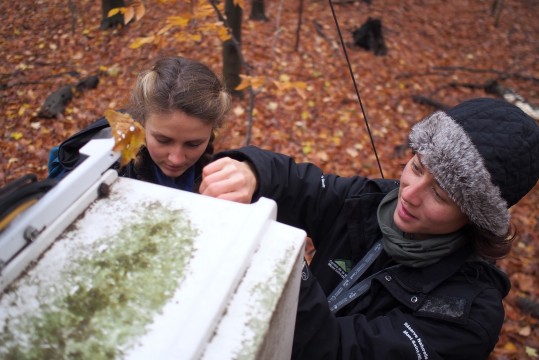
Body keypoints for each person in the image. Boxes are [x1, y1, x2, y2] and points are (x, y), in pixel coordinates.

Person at [199, 97, 539, 359]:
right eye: (417, 168)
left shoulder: (466, 316)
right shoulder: (372, 202)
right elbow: (299, 185)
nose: (409, 193)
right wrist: (249, 171)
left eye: (440, 193)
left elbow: (337, 351)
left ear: (475, 215)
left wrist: (287, 267)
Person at [48, 56, 231, 192]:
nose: (176, 158)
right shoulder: (103, 162)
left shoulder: (206, 165)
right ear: (141, 121)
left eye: (193, 144)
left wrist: (254, 168)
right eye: (163, 140)